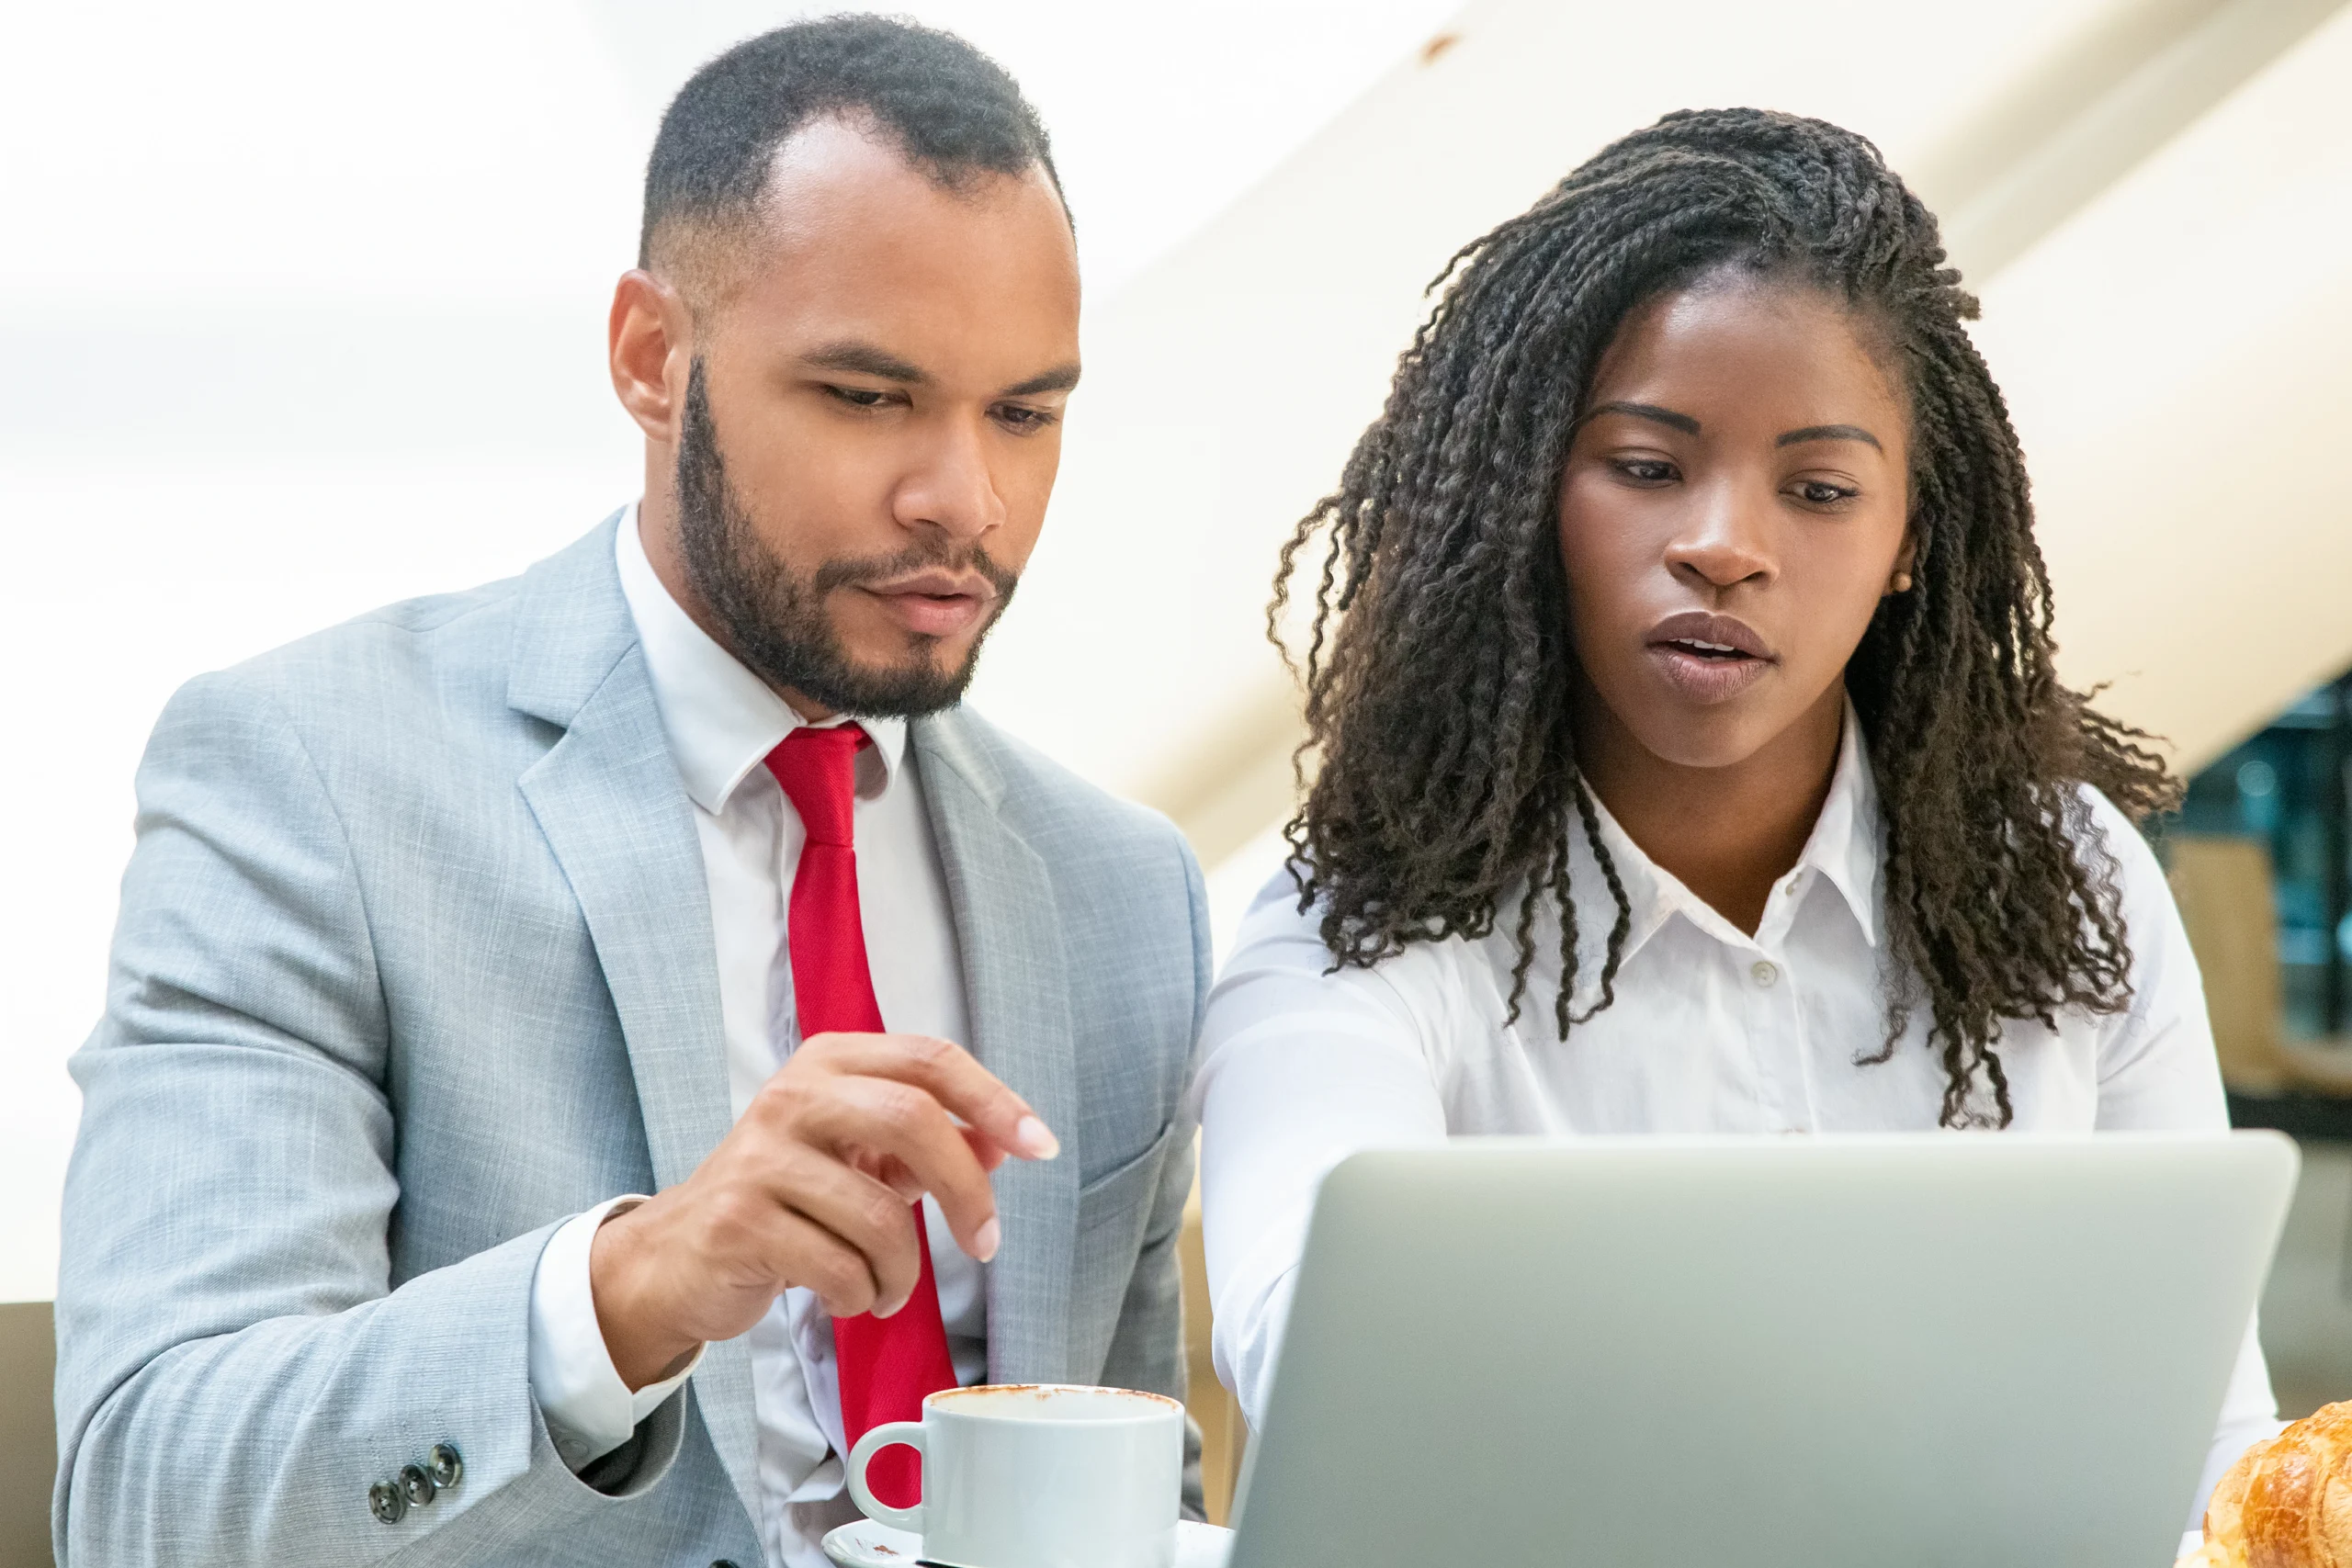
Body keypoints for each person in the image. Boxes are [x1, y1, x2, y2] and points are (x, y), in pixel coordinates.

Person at [53, 19, 1205, 1567]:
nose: (964, 499)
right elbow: (152, 1498)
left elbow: (1145, 1506)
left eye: (1024, 411)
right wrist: (633, 1287)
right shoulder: (312, 774)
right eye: (868, 397)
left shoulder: (1124, 892)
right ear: (653, 359)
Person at [1194, 107, 2278, 1529]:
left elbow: (2209, 1440)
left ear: (1910, 547)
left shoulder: (2068, 883)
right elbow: (1304, 1349)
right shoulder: (1361, 930)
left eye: (1821, 489)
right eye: (1647, 465)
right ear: (1531, 492)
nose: (1724, 544)